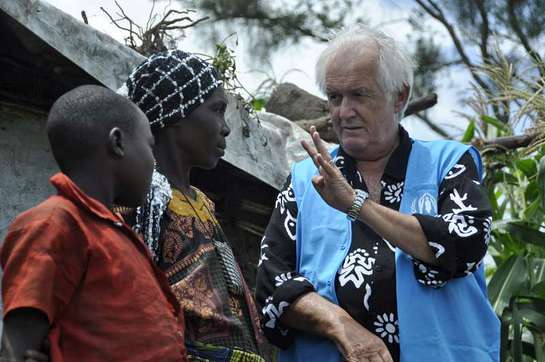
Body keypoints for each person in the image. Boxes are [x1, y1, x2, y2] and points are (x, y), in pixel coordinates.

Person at [255, 26, 500, 362]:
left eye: (359, 94)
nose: (343, 112)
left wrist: (358, 205)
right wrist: (342, 326)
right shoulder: (303, 180)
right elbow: (272, 283)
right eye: (335, 97)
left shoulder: (449, 163)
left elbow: (465, 243)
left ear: (399, 96)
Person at [0, 85, 187, 362]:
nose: (153, 162)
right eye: (150, 147)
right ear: (118, 143)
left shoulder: (112, 230)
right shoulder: (55, 223)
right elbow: (17, 346)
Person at [121, 50, 266, 362]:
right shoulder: (144, 202)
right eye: (216, 110)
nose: (225, 128)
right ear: (175, 112)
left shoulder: (202, 202)